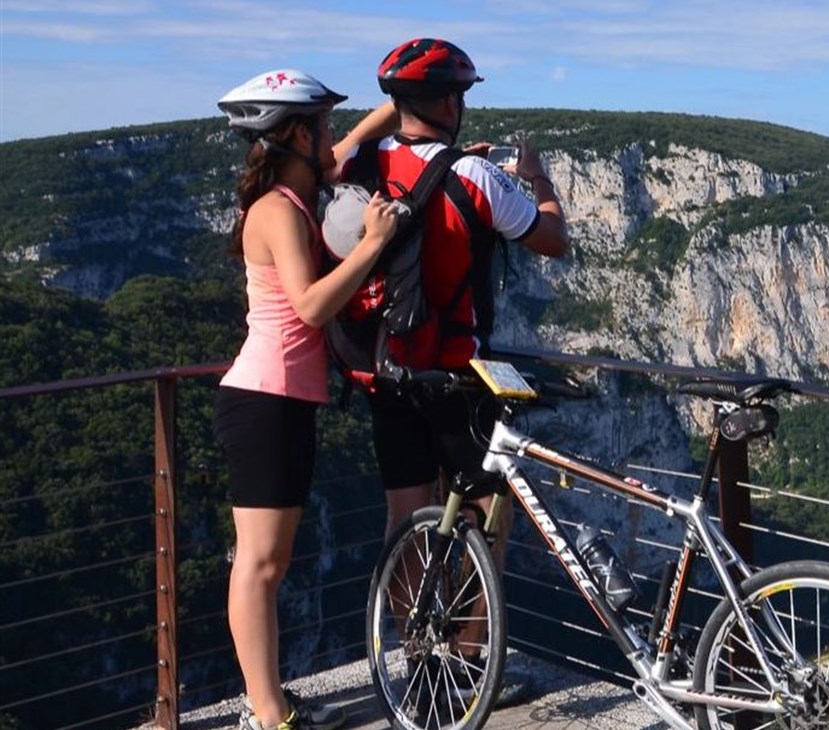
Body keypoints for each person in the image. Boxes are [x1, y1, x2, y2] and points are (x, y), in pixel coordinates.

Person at [351, 37, 568, 706]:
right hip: (460, 374)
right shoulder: (479, 178)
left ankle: (418, 660)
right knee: (481, 517)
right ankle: (470, 664)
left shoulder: (366, 167)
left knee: (405, 518)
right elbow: (554, 240)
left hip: (388, 372)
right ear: (450, 101)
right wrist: (536, 178)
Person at [212, 69, 402, 730]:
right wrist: (374, 245)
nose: (332, 140)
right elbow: (313, 305)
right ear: (295, 134)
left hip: (285, 400)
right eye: (320, 127)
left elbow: (355, 139)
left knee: (275, 559)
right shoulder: (274, 210)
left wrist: (408, 105)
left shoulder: (300, 189)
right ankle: (268, 713)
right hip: (263, 400)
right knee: (260, 563)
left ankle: (271, 704)